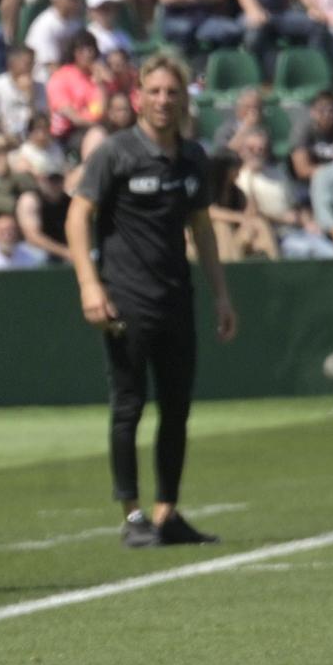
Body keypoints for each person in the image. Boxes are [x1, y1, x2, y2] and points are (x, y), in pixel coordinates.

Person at [67, 54, 238, 548]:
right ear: (139, 95)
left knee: (178, 409)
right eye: (155, 91)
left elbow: (201, 227)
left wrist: (221, 295)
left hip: (177, 299)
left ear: (185, 98)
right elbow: (78, 217)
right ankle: (132, 514)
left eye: (173, 92)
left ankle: (167, 512)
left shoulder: (193, 158)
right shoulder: (115, 153)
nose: (164, 100)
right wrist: (89, 284)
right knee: (128, 406)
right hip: (125, 299)